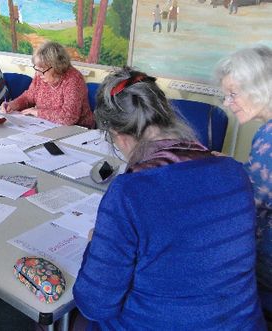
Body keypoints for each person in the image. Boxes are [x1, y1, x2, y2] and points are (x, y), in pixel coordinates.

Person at [73, 67, 265, 329]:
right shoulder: (234, 172)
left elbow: (95, 303)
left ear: (119, 136)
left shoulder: (129, 193)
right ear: (166, 115)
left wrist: (96, 244)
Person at [215, 46, 272, 305]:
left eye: (233, 94)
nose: (228, 103)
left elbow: (248, 207)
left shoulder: (268, 139)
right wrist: (234, 165)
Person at [1, 41, 94, 128]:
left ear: (57, 67)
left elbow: (69, 117)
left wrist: (37, 112)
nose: (38, 74)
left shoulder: (73, 80)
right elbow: (28, 97)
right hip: (47, 126)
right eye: (37, 69)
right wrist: (12, 105)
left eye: (42, 69)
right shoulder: (42, 75)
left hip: (78, 131)